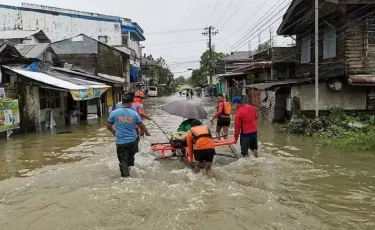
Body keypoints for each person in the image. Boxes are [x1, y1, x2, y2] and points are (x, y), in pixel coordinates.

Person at [107, 94, 151, 177]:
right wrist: (146, 132)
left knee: (123, 161)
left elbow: (108, 126)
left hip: (121, 142)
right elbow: (142, 126)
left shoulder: (114, 113)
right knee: (131, 157)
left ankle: (125, 177)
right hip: (132, 141)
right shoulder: (134, 114)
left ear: (122, 102)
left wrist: (113, 131)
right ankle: (130, 171)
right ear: (131, 103)